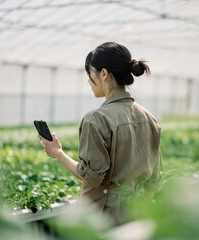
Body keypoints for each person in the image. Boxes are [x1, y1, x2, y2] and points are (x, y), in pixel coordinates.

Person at [39, 42, 163, 225]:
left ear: (103, 74)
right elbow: (154, 180)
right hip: (140, 217)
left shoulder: (96, 120)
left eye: (90, 74)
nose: (89, 82)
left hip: (104, 220)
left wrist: (58, 153)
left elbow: (92, 177)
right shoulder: (149, 118)